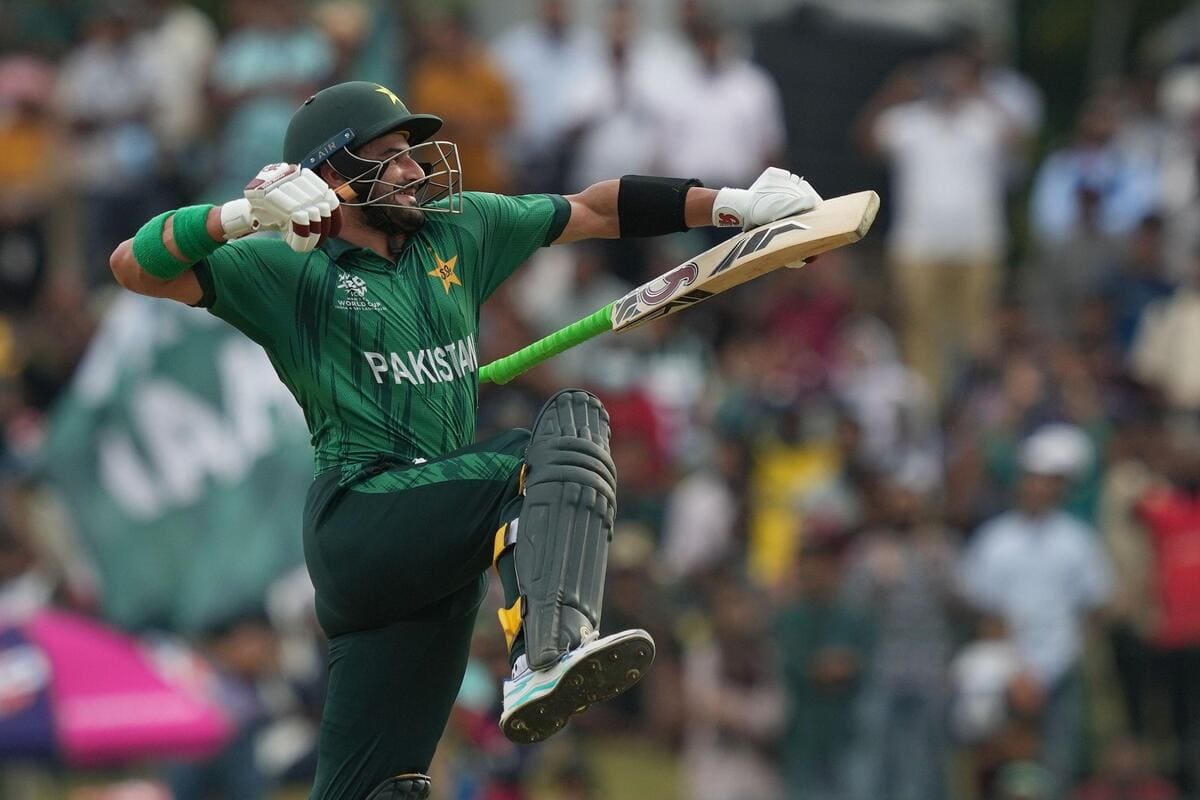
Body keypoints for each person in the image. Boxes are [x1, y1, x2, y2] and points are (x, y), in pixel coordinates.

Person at [108, 80, 821, 800]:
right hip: (361, 517)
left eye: (411, 152)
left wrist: (734, 205)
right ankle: (546, 652)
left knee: (386, 789)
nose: (414, 169)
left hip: (441, 554)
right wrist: (235, 216)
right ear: (330, 174)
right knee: (559, 434)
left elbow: (596, 209)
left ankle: (532, 658)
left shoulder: (460, 230)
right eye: (389, 155)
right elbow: (133, 265)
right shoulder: (282, 267)